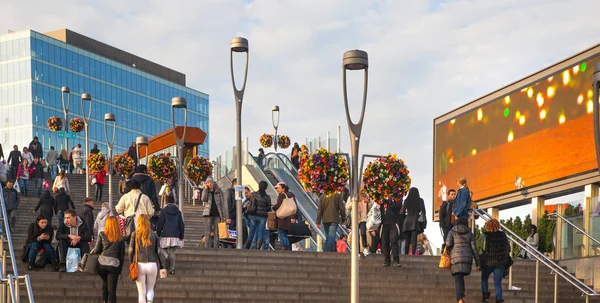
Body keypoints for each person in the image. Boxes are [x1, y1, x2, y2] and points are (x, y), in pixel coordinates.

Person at [129, 214, 163, 303]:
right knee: (150, 288)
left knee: (141, 293)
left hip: (139, 264)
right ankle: (150, 300)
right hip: (152, 264)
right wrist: (162, 265)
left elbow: (130, 250)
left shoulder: (135, 234)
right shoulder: (154, 235)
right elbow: (158, 251)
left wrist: (130, 261)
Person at [446, 216, 480, 303]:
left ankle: (460, 299)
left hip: (456, 258)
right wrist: (478, 263)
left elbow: (448, 244)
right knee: (461, 278)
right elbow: (474, 249)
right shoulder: (470, 233)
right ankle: (462, 297)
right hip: (467, 258)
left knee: (458, 278)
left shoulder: (452, 231)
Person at [92, 216, 125, 303]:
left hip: (102, 264)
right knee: (112, 289)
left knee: (105, 282)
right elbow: (121, 256)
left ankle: (104, 300)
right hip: (114, 265)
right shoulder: (121, 238)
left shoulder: (102, 234)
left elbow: (97, 250)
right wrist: (120, 269)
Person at [481, 218, 510, 303]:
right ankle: (499, 300)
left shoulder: (485, 235)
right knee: (497, 283)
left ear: (487, 226)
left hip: (488, 262)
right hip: (500, 262)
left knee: (484, 278)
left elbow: (483, 248)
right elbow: (508, 248)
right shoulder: (503, 235)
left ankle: (485, 298)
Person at [156, 196, 185, 275]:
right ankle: (172, 269)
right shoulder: (178, 211)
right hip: (175, 234)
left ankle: (166, 257)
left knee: (161, 248)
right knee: (172, 251)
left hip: (165, 233)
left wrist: (158, 232)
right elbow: (181, 224)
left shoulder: (164, 211)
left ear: (166, 201)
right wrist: (181, 235)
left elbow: (161, 222)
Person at [201, 177, 227, 249]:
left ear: (213, 183)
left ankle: (216, 248)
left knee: (216, 233)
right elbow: (203, 199)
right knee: (208, 232)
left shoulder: (218, 191)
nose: (210, 184)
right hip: (208, 214)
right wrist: (206, 189)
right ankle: (207, 248)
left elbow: (222, 203)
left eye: (211, 182)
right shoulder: (205, 191)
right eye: (208, 182)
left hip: (217, 214)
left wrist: (224, 216)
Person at [246, 181, 271, 249]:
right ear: (266, 187)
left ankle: (247, 247)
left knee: (251, 233)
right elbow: (269, 208)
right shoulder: (267, 197)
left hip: (253, 216)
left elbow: (250, 202)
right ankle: (258, 248)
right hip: (262, 217)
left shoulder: (254, 194)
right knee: (260, 233)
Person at [401, 187, 426, 255]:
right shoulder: (420, 200)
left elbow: (402, 212)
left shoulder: (406, 200)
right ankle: (413, 254)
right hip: (416, 220)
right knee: (414, 239)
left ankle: (406, 254)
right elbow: (423, 212)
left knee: (407, 239)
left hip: (407, 220)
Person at [272, 182, 297, 250]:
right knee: (285, 233)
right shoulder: (289, 195)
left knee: (281, 232)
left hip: (281, 218)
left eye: (279, 188)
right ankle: (287, 247)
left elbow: (278, 205)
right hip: (287, 217)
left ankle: (284, 246)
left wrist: (273, 208)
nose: (277, 190)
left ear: (283, 189)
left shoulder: (281, 195)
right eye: (277, 188)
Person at [380, 198, 402, 267]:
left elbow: (398, 206)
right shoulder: (381, 197)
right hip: (384, 224)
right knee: (384, 242)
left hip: (393, 223)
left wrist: (388, 201)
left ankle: (396, 260)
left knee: (393, 240)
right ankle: (387, 261)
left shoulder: (396, 197)